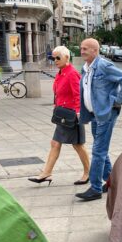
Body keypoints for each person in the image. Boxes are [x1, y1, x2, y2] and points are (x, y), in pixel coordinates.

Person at [75, 38, 122, 201]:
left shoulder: (104, 65)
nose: (82, 50)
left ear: (95, 50)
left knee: (98, 151)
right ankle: (112, 182)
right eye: (81, 48)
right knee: (102, 150)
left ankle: (95, 188)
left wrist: (117, 101)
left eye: (86, 48)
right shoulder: (85, 68)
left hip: (106, 114)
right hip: (95, 114)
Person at [29, 45, 90, 186]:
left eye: (58, 58)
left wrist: (78, 113)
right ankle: (46, 173)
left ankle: (88, 173)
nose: (54, 60)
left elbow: (78, 95)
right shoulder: (61, 73)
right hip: (63, 114)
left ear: (67, 58)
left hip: (71, 116)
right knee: (56, 143)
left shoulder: (71, 73)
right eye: (53, 58)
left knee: (78, 145)